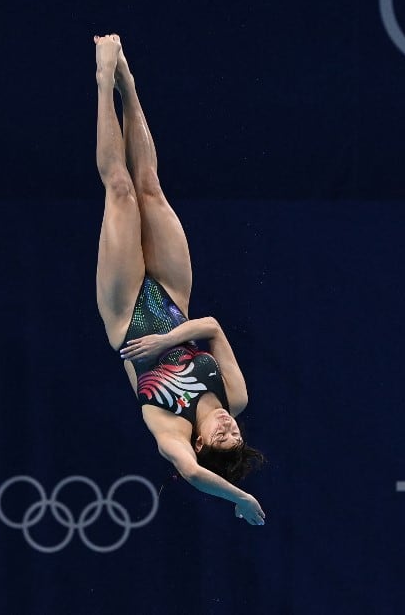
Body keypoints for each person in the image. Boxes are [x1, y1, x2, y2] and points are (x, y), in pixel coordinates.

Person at [93, 34, 266, 524]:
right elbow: (210, 325)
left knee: (121, 191)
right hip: (173, 302)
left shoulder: (169, 427)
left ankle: (104, 79)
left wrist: (239, 497)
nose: (232, 426)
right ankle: (128, 77)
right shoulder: (236, 395)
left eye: (222, 436)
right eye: (237, 433)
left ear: (199, 441)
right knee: (150, 185)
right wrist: (169, 338)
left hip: (125, 312)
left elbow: (190, 474)